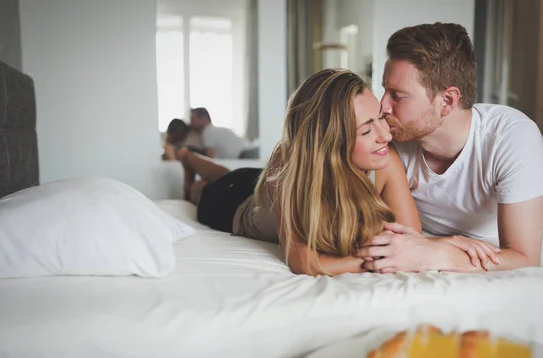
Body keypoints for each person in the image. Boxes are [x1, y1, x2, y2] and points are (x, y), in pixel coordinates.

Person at [177, 69, 499, 276]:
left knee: (228, 172)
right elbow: (303, 261)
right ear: (332, 142)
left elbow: (410, 238)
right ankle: (187, 160)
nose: (386, 136)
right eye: (366, 130)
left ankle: (190, 160)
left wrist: (446, 246)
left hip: (258, 181)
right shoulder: (292, 170)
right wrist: (370, 262)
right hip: (236, 204)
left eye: (380, 119)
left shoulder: (384, 162)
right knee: (205, 188)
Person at [359, 23, 543, 273]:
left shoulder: (510, 137)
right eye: (384, 90)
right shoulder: (391, 137)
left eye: (398, 95)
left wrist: (436, 255)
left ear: (447, 101)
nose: (383, 106)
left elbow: (525, 258)